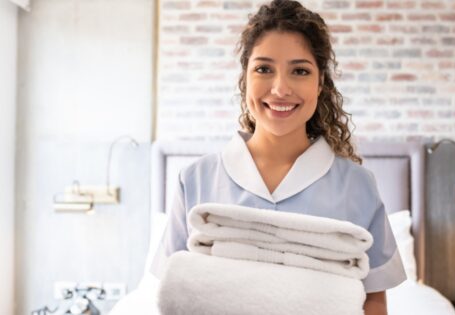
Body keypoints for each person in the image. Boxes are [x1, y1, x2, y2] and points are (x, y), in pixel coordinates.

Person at [151, 0, 406, 314]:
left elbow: (373, 301)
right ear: (245, 78)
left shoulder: (358, 186)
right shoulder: (195, 179)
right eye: (264, 69)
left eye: (299, 71)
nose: (280, 88)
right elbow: (174, 287)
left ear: (320, 82)